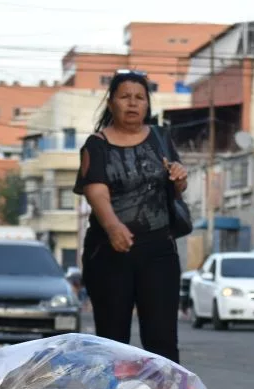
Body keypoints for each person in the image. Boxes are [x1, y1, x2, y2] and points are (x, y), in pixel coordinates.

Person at [73, 70, 188, 363]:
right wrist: (112, 226)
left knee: (162, 339)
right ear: (111, 103)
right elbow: (95, 190)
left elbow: (177, 190)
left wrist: (179, 178)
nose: (132, 104)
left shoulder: (161, 138)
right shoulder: (96, 144)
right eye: (125, 97)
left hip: (159, 251)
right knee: (113, 340)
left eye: (139, 98)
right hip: (110, 251)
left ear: (148, 104)